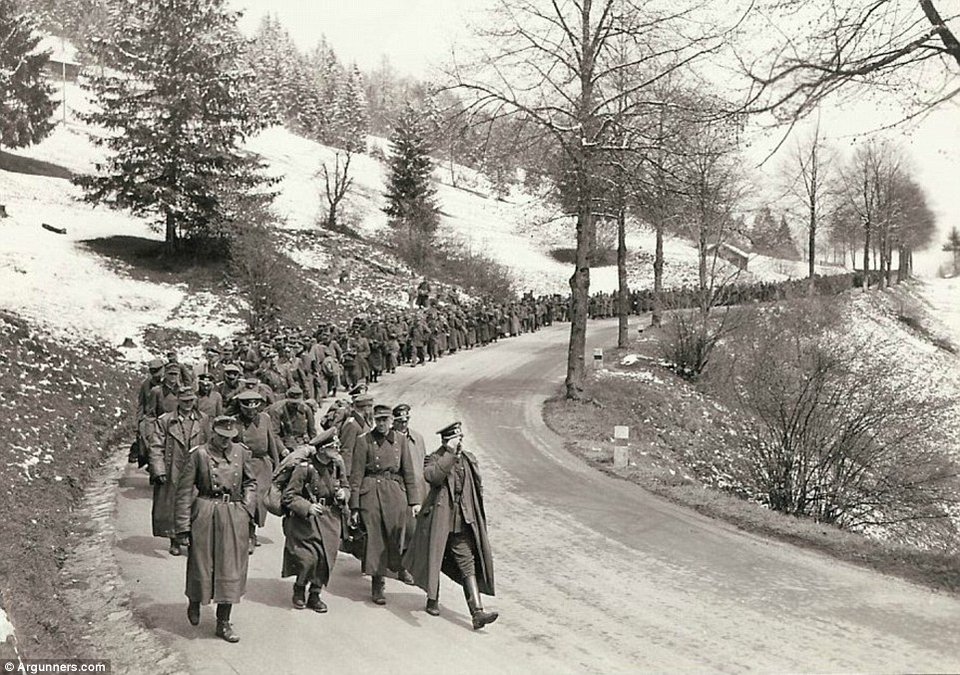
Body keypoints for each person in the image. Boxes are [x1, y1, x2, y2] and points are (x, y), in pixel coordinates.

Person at [403, 422, 498, 630]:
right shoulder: (435, 458)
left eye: (461, 438)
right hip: (438, 520)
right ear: (447, 441)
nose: (461, 442)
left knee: (467, 563)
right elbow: (433, 477)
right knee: (434, 559)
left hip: (461, 521)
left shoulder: (467, 459)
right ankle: (432, 599)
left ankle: (477, 612)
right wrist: (449, 454)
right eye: (457, 439)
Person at [175, 416, 256, 643]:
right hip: (205, 511)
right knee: (201, 563)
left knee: (230, 568)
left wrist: (247, 508)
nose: (225, 442)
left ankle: (223, 622)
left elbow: (251, 482)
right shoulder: (199, 454)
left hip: (233, 513)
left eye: (229, 437)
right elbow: (183, 492)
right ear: (213, 432)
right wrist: (182, 528)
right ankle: (194, 599)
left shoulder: (241, 452)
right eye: (221, 436)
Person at [349, 405, 421, 605]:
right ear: (373, 420)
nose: (382, 424)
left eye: (385, 420)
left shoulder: (400, 440)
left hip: (395, 492)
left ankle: (401, 568)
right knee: (375, 538)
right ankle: (377, 582)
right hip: (370, 492)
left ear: (391, 421)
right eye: (378, 420)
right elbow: (356, 475)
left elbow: (408, 472)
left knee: (399, 534)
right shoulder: (364, 441)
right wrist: (354, 507)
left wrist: (413, 501)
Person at [281, 437, 350, 613]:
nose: (336, 449)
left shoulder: (336, 466)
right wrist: (307, 507)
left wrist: (344, 493)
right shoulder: (305, 469)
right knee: (308, 559)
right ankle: (299, 587)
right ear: (321, 450)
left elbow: (346, 485)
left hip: (330, 517)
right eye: (332, 447)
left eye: (337, 446)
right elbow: (289, 496)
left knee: (325, 560)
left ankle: (315, 594)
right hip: (306, 521)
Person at [149, 387, 211, 555]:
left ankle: (191, 537)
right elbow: (156, 446)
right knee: (173, 502)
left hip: (196, 467)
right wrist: (159, 469)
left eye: (191, 401)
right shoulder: (165, 421)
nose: (188, 404)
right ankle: (174, 539)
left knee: (195, 502)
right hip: (173, 466)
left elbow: (209, 443)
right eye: (184, 401)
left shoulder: (203, 419)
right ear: (177, 400)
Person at [235, 389, 282, 552]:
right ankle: (248, 534)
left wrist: (277, 466)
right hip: (242, 464)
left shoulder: (265, 419)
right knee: (246, 499)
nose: (250, 411)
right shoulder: (235, 421)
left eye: (254, 408)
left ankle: (252, 531)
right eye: (246, 408)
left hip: (262, 465)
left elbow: (272, 442)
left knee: (259, 503)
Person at [393, 403, 427, 555]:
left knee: (417, 529)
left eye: (406, 420)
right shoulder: (390, 439)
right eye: (400, 421)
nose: (403, 424)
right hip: (400, 490)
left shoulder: (417, 438)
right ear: (394, 421)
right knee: (403, 530)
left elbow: (422, 464)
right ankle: (401, 564)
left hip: (418, 490)